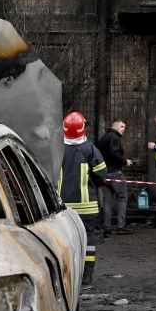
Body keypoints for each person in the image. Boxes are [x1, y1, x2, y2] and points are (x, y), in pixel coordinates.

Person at [58, 111, 107, 284]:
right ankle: (86, 275)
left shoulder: (56, 149)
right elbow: (101, 175)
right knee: (88, 241)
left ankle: (67, 274)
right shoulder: (90, 149)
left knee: (64, 240)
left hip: (62, 207)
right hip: (87, 207)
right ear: (83, 128)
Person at [96, 119, 133, 237]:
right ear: (115, 126)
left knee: (107, 201)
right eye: (122, 126)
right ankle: (121, 226)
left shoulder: (104, 138)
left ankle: (107, 228)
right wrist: (125, 161)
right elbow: (114, 154)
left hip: (104, 174)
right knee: (122, 198)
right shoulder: (114, 138)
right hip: (115, 173)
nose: (123, 129)